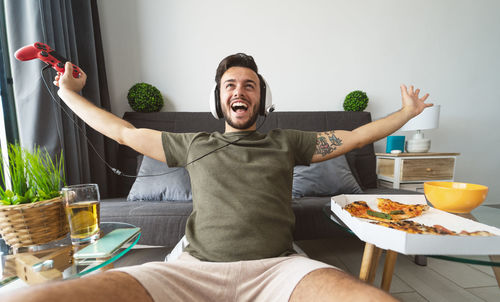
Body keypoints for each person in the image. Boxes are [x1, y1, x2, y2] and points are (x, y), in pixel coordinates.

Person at [4, 53, 431, 302]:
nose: (239, 91)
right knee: (40, 298)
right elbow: (124, 132)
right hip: (191, 270)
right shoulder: (193, 143)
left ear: (261, 99)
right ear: (219, 98)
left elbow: (354, 135)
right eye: (230, 85)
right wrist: (69, 93)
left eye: (249, 85)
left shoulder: (288, 142)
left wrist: (407, 114)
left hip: (279, 269)